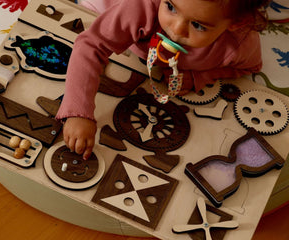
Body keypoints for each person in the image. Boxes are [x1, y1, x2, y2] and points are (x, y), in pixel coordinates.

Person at [56, 0, 270, 160]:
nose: (175, 28)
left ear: (237, 23)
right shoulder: (142, 6)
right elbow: (92, 45)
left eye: (198, 26)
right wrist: (78, 112)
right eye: (170, 6)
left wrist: (199, 77)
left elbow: (250, 67)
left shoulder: (241, 43)